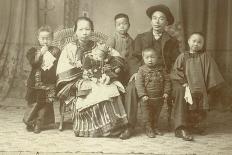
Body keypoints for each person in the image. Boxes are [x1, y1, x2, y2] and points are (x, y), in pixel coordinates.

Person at [56, 17, 128, 137]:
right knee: (91, 90)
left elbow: (116, 57)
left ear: (92, 30)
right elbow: (63, 69)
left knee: (110, 87)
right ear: (75, 31)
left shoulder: (98, 45)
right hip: (75, 80)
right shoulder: (69, 48)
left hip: (97, 76)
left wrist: (107, 72)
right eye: (81, 29)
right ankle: (95, 128)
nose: (84, 32)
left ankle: (114, 124)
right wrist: (82, 73)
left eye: (88, 29)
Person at [120, 4, 180, 140]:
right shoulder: (141, 38)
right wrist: (135, 72)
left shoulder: (172, 41)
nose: (157, 22)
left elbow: (177, 61)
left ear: (167, 22)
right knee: (130, 89)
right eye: (154, 18)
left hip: (164, 76)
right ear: (151, 21)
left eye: (161, 19)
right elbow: (133, 58)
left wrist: (173, 76)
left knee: (180, 89)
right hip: (143, 75)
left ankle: (180, 127)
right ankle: (129, 125)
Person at [171, 32, 224, 135]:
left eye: (199, 42)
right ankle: (186, 126)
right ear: (188, 41)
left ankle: (197, 126)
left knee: (200, 108)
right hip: (188, 86)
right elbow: (176, 71)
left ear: (203, 44)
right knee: (188, 106)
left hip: (201, 87)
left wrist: (210, 87)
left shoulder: (206, 57)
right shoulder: (183, 56)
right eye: (194, 41)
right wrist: (183, 82)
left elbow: (212, 72)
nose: (196, 44)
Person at [23, 25, 60, 134]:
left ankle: (39, 124)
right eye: (42, 38)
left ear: (52, 39)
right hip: (35, 83)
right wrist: (41, 54)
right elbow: (34, 63)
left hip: (49, 83)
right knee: (34, 103)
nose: (45, 41)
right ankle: (30, 122)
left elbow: (58, 65)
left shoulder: (56, 51)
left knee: (46, 104)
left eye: (48, 38)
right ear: (38, 39)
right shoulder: (33, 51)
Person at [135, 48, 171, 138]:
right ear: (143, 58)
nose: (150, 60)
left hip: (159, 97)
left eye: (152, 57)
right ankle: (148, 128)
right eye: (147, 57)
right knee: (147, 114)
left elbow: (167, 81)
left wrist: (166, 92)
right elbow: (139, 83)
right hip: (146, 98)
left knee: (157, 113)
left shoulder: (161, 69)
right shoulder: (141, 70)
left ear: (157, 58)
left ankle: (155, 126)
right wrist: (143, 95)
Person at [106, 13, 134, 85]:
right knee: (116, 80)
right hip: (115, 66)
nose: (122, 26)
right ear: (115, 26)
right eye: (119, 25)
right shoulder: (113, 38)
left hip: (127, 67)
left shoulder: (131, 40)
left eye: (124, 24)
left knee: (128, 81)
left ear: (129, 25)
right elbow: (107, 52)